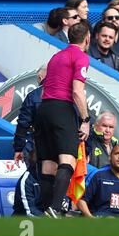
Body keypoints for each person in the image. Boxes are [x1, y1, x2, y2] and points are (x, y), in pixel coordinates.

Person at [34, 21, 91, 218]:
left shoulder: (56, 56)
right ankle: (55, 209)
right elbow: (77, 92)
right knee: (68, 160)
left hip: (44, 109)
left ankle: (45, 208)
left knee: (49, 164)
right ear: (87, 39)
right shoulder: (81, 57)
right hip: (61, 109)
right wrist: (86, 119)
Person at [77, 145, 119, 217]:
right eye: (117, 153)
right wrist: (91, 218)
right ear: (110, 157)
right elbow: (81, 201)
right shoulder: (98, 176)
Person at [13, 65, 47, 166]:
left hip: (38, 147)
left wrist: (18, 148)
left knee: (34, 178)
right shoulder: (69, 93)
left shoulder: (33, 96)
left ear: (40, 78)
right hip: (64, 149)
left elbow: (23, 124)